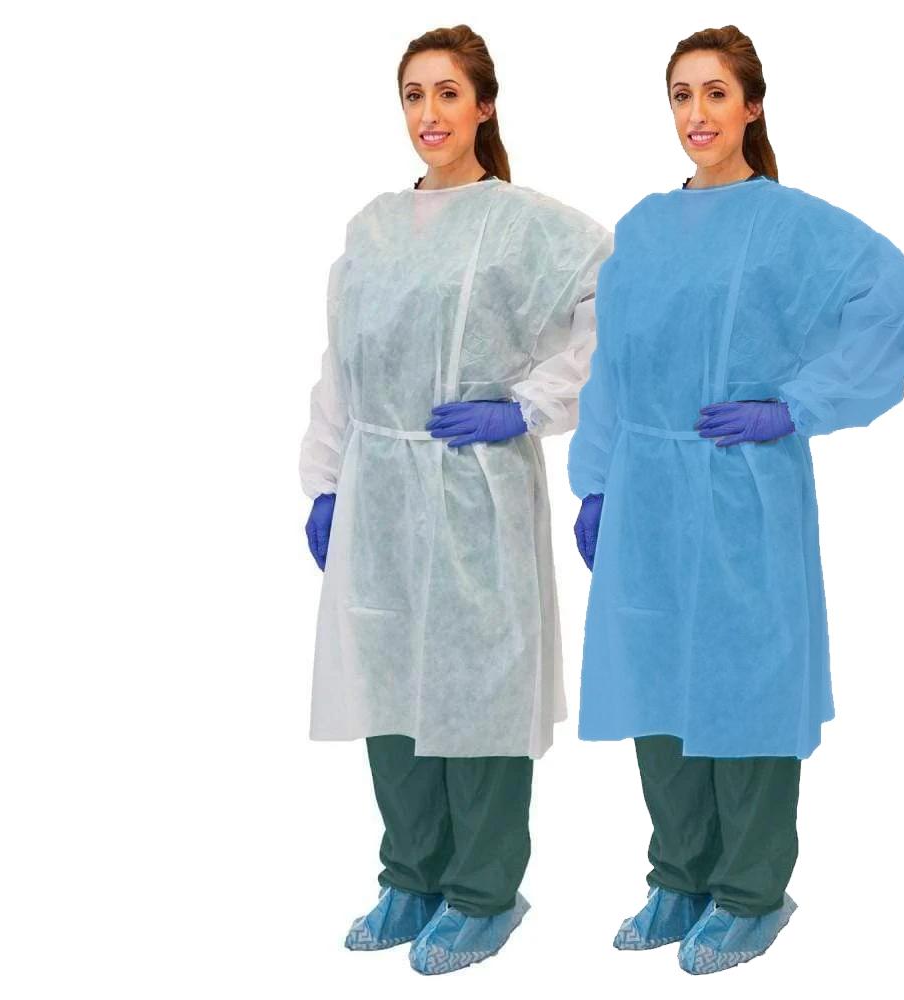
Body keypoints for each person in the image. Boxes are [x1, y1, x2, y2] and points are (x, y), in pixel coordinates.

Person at [568, 24, 904, 975]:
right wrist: (596, 479)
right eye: (681, 95)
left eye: (716, 94)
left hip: (740, 490)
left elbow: (889, 299)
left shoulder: (788, 223)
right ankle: (679, 876)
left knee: (746, 687)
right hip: (647, 488)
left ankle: (750, 891)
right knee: (656, 685)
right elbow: (612, 364)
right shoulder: (643, 227)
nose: (697, 114)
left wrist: (796, 405)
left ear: (751, 105)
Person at [300, 24, 611, 975]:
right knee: (388, 686)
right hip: (381, 491)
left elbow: (613, 306)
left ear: (484, 106)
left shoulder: (524, 223)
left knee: (480, 693)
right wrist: (325, 480)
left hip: (474, 492)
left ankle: (482, 893)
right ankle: (411, 876)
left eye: (447, 93)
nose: (429, 114)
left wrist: (527, 406)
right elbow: (341, 364)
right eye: (413, 95)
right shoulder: (373, 227)